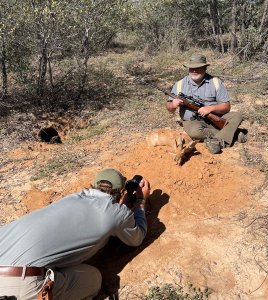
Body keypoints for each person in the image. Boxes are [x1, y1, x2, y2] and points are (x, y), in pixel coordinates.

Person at [0, 168, 150, 300]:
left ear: (94, 186)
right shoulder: (115, 213)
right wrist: (140, 202)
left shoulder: (72, 198)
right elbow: (137, 238)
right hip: (21, 286)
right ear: (121, 193)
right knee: (93, 278)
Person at [166, 53, 247, 154]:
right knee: (195, 132)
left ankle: (217, 140)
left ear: (205, 68)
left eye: (198, 68)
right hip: (194, 122)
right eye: (191, 68)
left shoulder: (216, 82)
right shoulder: (179, 85)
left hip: (215, 116)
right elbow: (169, 108)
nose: (194, 71)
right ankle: (232, 133)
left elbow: (226, 107)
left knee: (237, 116)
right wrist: (173, 105)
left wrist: (210, 109)